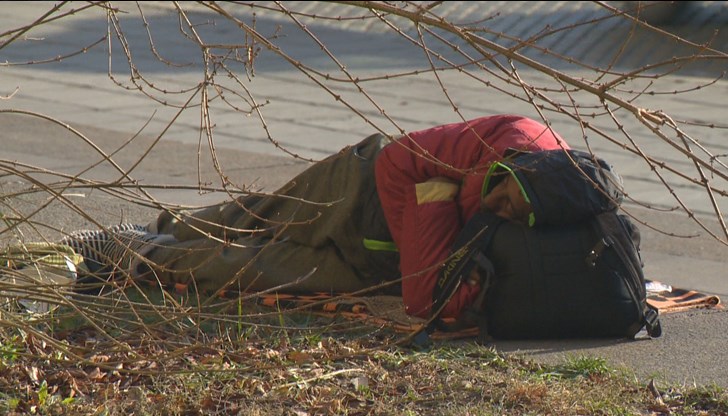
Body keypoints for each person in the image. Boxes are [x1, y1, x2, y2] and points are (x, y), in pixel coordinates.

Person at [56, 114, 573, 321]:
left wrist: (409, 259)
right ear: (508, 169)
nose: (500, 211)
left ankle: (132, 253)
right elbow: (400, 162)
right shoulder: (497, 148)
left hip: (388, 255)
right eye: (504, 199)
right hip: (363, 187)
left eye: (514, 216)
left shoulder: (560, 193)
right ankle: (142, 234)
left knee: (251, 268)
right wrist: (408, 250)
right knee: (253, 217)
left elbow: (429, 286)